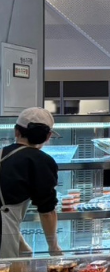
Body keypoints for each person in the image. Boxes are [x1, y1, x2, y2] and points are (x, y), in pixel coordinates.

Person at [0, 108, 61, 259]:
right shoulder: (41, 161)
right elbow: (47, 212)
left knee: (24, 254)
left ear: (16, 132)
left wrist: (20, 243)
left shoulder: (2, 154)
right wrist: (53, 247)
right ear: (48, 136)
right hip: (3, 232)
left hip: (6, 228)